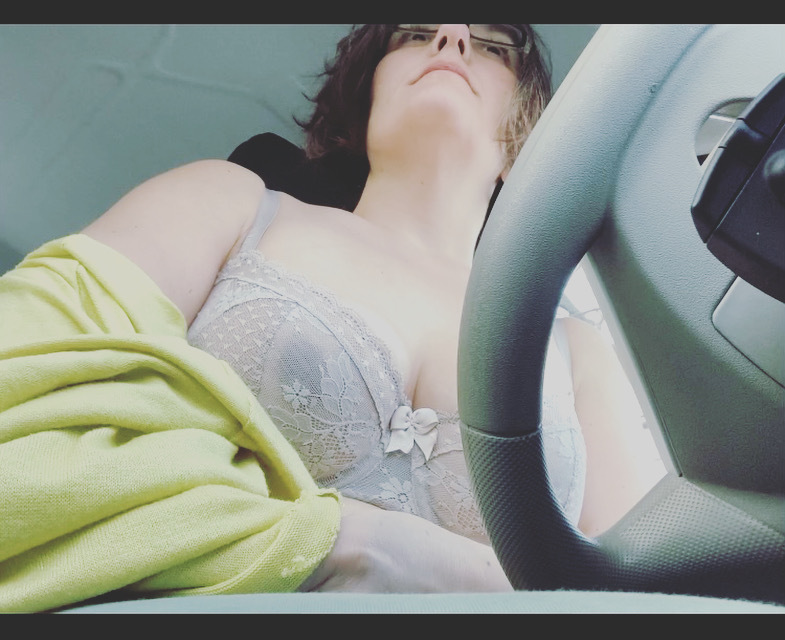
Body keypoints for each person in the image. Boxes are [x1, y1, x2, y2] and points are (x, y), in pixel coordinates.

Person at [0, 25, 653, 610]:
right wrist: (350, 547)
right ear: (360, 106)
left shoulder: (575, 349)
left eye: (492, 46)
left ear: (525, 136)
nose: (452, 37)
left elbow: (646, 594)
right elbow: (22, 379)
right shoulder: (232, 204)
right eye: (414, 33)